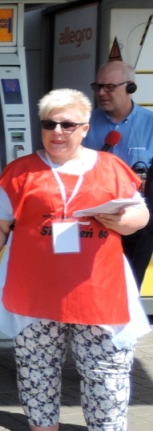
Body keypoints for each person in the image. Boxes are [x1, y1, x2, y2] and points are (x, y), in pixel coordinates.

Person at [0, 88, 149, 431]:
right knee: (37, 369)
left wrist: (125, 221)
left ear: (84, 128)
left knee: (109, 374)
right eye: (49, 124)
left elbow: (140, 212)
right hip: (34, 291)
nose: (57, 132)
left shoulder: (111, 167)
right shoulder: (21, 171)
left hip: (99, 290)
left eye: (67, 124)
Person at [82, 61, 153, 288]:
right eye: (98, 86)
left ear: (130, 87)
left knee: (128, 287)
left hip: (136, 220)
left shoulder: (150, 123)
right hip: (91, 219)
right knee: (91, 285)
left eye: (109, 87)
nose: (101, 93)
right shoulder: (83, 124)